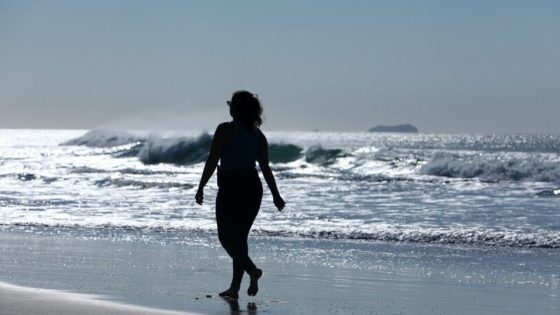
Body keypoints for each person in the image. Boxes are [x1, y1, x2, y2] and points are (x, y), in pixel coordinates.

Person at [195, 90, 285, 300]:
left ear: (234, 109)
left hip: (231, 186)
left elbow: (212, 160)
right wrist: (275, 195)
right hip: (253, 187)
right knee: (240, 238)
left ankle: (252, 270)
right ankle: (235, 288)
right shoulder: (258, 135)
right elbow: (265, 168)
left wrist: (201, 187)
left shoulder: (225, 129)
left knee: (226, 237)